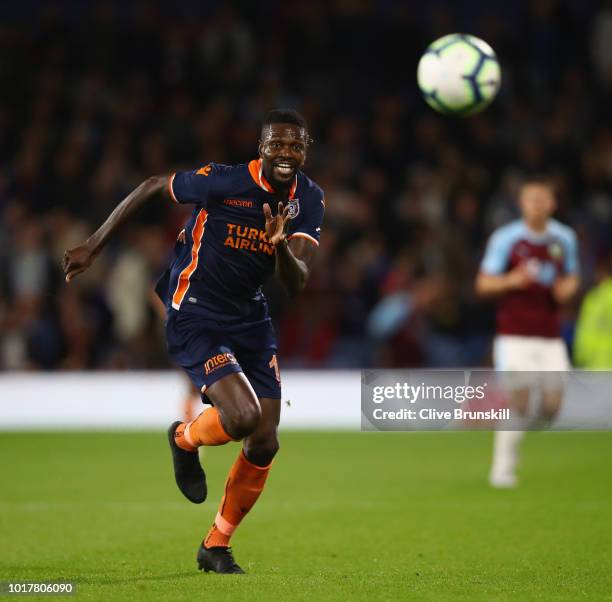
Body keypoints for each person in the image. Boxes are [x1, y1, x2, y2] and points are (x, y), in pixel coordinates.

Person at [62, 109, 324, 573]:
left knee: (264, 441)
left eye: (295, 145)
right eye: (277, 144)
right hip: (196, 309)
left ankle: (215, 546)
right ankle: (184, 439)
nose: (286, 153)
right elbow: (151, 186)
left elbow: (297, 281)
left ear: (306, 150)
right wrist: (94, 244)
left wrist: (279, 243)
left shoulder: (309, 198)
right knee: (241, 417)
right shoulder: (223, 181)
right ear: (261, 147)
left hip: (250, 317)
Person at [475, 177, 580, 488]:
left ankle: (515, 435)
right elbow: (483, 284)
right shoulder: (506, 239)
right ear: (521, 204)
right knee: (519, 402)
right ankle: (502, 469)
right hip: (514, 333)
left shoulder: (564, 238)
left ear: (552, 203)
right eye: (531, 199)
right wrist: (512, 281)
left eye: (542, 199)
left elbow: (572, 276)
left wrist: (567, 290)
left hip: (549, 334)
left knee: (551, 407)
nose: (537, 205)